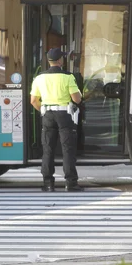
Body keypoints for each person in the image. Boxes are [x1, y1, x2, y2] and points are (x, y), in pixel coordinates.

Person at [30, 47, 84, 192]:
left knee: (47, 149)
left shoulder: (39, 78)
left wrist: (44, 110)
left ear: (49, 61)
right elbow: (77, 99)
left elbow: (34, 101)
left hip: (47, 115)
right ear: (60, 60)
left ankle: (48, 183)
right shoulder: (67, 77)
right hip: (65, 115)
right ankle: (70, 183)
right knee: (68, 149)